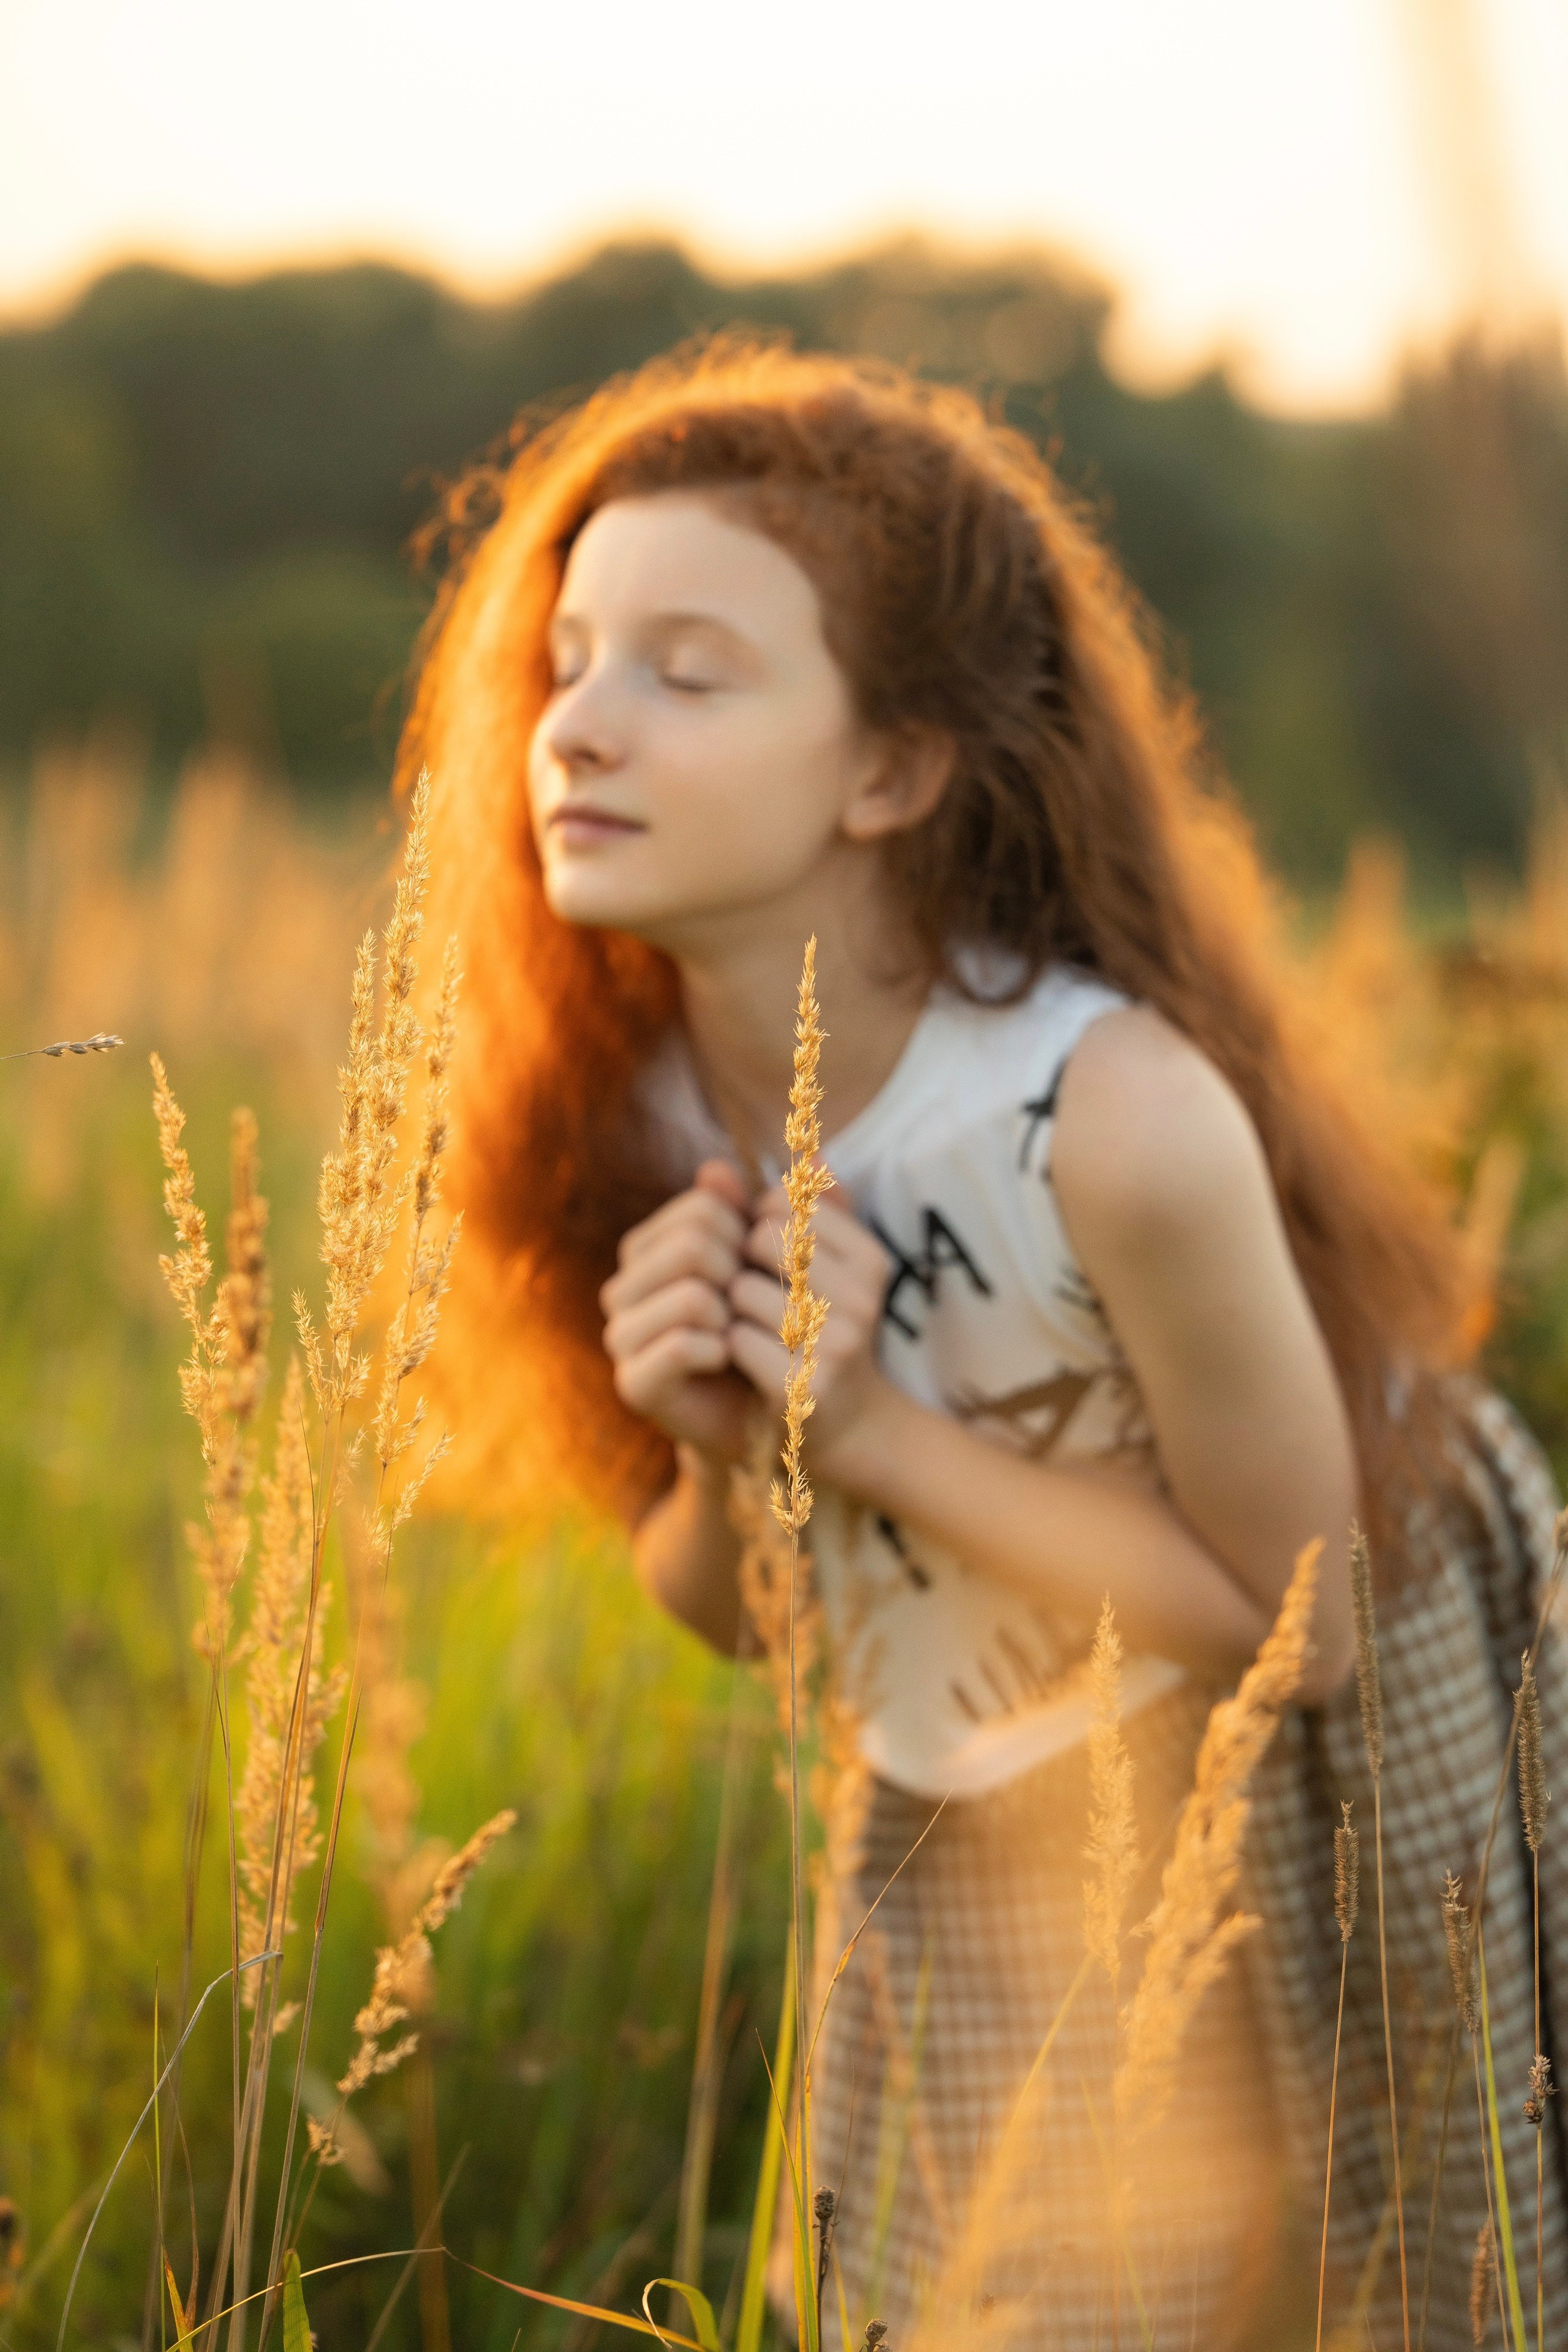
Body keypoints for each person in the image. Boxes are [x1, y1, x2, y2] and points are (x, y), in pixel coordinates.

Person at [405, 341, 1567, 2348]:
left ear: (893, 768)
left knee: (1373, 2292)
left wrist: (860, 1431)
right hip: (963, 1787)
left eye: (687, 671)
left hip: (1312, 1739)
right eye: (571, 657)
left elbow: (1309, 1614)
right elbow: (748, 1610)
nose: (576, 726)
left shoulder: (1110, 1118)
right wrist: (710, 1450)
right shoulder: (629, 1116)